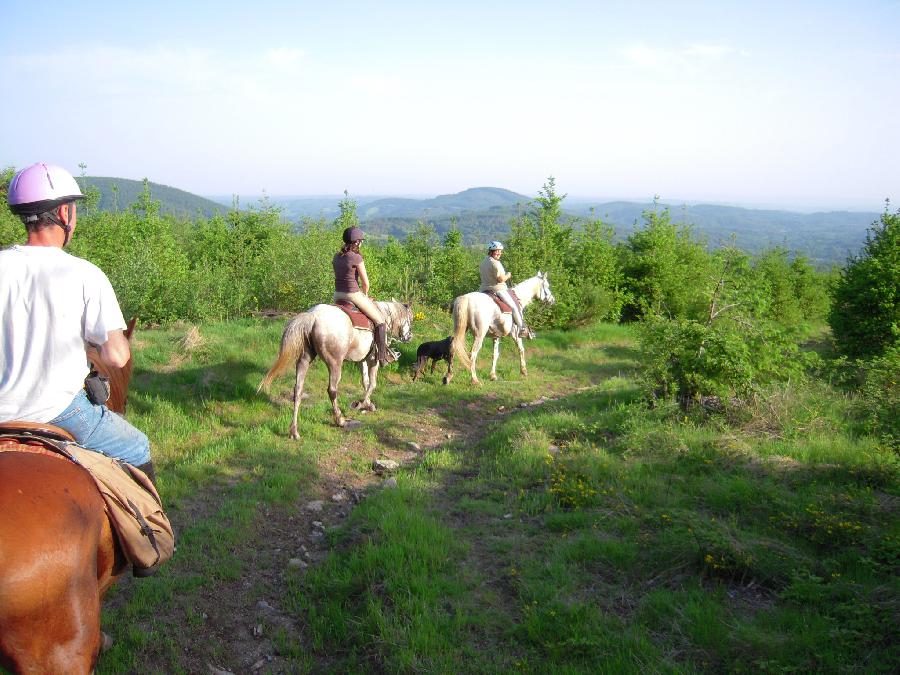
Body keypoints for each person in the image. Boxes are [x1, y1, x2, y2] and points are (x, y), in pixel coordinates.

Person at [0, 162, 155, 486]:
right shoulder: (85, 274)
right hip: (60, 412)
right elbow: (116, 358)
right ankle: (153, 536)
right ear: (65, 214)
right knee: (138, 446)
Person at [333, 226, 398, 365]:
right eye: (361, 241)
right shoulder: (356, 257)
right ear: (356, 242)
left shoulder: (337, 256)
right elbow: (366, 283)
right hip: (352, 294)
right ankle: (382, 357)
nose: (361, 243)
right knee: (380, 321)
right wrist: (366, 295)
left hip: (337, 295)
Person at [479, 240, 532, 338]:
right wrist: (508, 275)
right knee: (514, 307)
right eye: (497, 251)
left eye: (500, 251)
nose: (499, 253)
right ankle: (522, 329)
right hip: (497, 290)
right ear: (491, 251)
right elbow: (500, 279)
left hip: (483, 290)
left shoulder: (483, 262)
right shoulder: (495, 263)